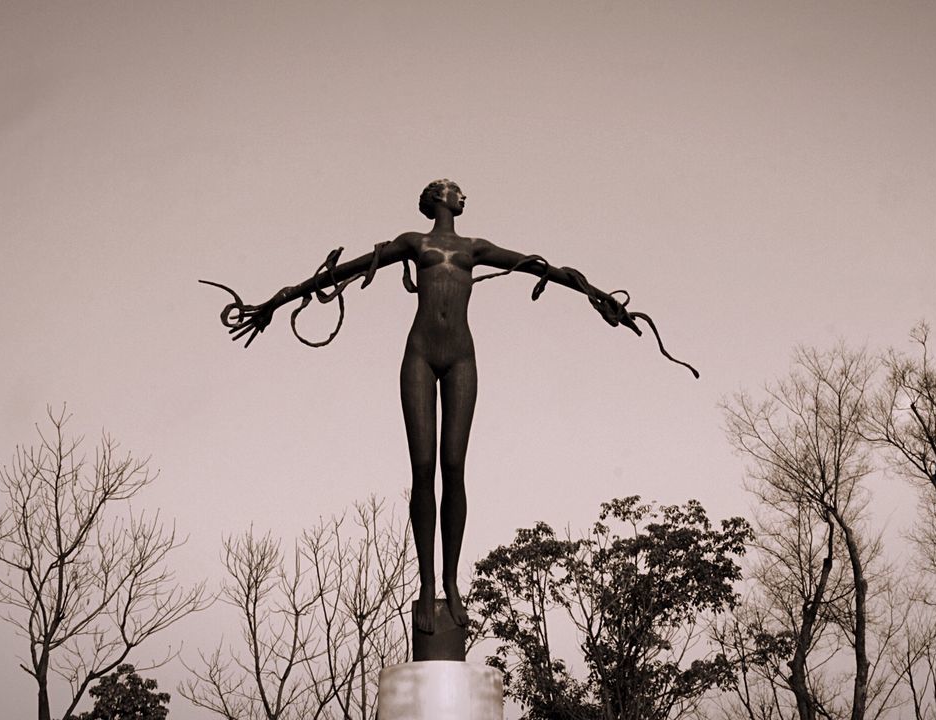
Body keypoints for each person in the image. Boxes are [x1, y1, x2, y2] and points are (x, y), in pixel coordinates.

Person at [208, 179, 687, 635]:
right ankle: (426, 583)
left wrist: (596, 294)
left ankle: (453, 581)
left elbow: (541, 268)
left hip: (461, 357)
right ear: (440, 198)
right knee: (422, 468)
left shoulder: (475, 248)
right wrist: (276, 301)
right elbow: (346, 270)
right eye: (456, 189)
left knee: (453, 466)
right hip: (420, 355)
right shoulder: (412, 241)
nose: (463, 195)